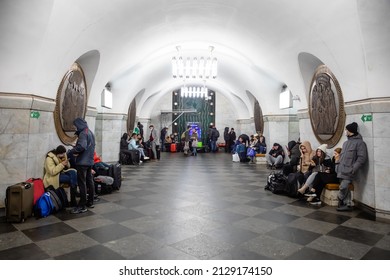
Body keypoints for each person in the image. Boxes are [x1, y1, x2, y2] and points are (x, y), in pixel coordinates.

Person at [336, 122, 368, 211]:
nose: (345, 131)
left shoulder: (360, 143)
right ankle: (347, 204)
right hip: (341, 169)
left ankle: (340, 198)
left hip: (349, 170)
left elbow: (362, 158)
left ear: (350, 131)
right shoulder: (346, 143)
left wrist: (354, 168)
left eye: (346, 129)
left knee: (343, 187)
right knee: (345, 188)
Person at [67, 117, 96, 214]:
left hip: (82, 162)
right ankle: (90, 202)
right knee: (89, 181)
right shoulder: (90, 132)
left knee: (82, 184)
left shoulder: (83, 133)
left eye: (75, 126)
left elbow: (82, 146)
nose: (75, 128)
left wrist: (71, 151)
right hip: (89, 161)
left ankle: (82, 206)